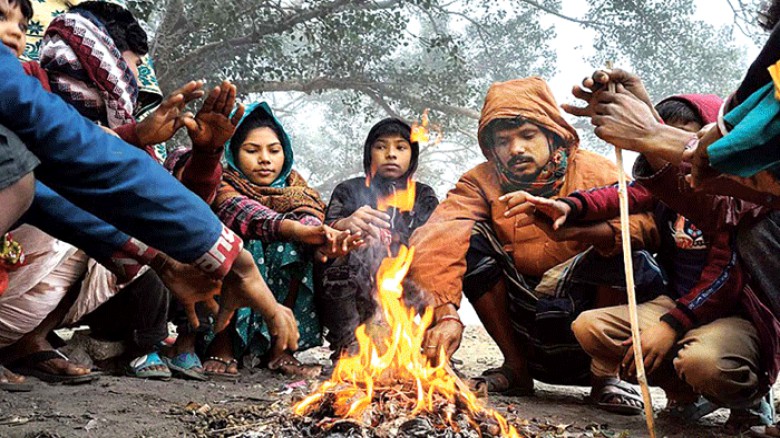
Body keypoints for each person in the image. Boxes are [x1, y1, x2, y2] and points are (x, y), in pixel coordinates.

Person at [0, 0, 300, 388]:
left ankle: (28, 340)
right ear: (94, 61)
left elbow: (155, 202)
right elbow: (78, 161)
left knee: (138, 237)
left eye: (21, 24)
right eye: (125, 70)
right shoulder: (32, 92)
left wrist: (206, 155)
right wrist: (232, 257)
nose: (15, 33)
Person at [528, 94, 775, 429]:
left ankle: (749, 400)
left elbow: (725, 274)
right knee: (592, 329)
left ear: (706, 142)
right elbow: (622, 194)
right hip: (678, 301)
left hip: (730, 313)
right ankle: (685, 395)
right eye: (660, 148)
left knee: (703, 362)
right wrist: (569, 208)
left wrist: (671, 324)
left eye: (677, 146)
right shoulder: (668, 185)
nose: (672, 161)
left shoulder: (738, 194)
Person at [408, 77, 660, 395]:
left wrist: (591, 232)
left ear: (552, 135)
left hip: (592, 327)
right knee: (468, 238)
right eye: (503, 141)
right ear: (491, 148)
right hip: (527, 324)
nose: (516, 149)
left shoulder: (599, 172)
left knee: (623, 248)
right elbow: (435, 237)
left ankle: (605, 377)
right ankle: (516, 368)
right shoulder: (479, 182)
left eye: (527, 135)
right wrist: (445, 312)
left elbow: (650, 226)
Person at [204, 102, 360, 378]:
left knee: (293, 247)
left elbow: (309, 217)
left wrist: (322, 237)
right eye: (252, 151)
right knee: (237, 244)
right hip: (226, 277)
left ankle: (281, 345)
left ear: (285, 154)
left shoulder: (297, 188)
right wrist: (299, 230)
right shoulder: (221, 181)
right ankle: (222, 340)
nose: (265, 159)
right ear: (234, 153)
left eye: (273, 151)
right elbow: (244, 213)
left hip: (281, 270)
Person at [317, 118, 439, 360]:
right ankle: (349, 340)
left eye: (400, 147)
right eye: (381, 147)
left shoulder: (423, 195)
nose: (391, 154)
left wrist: (394, 244)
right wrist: (345, 226)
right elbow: (325, 235)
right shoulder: (348, 190)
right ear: (369, 152)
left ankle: (433, 343)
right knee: (354, 247)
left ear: (412, 155)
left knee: (438, 264)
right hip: (355, 288)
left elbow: (432, 240)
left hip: (405, 286)